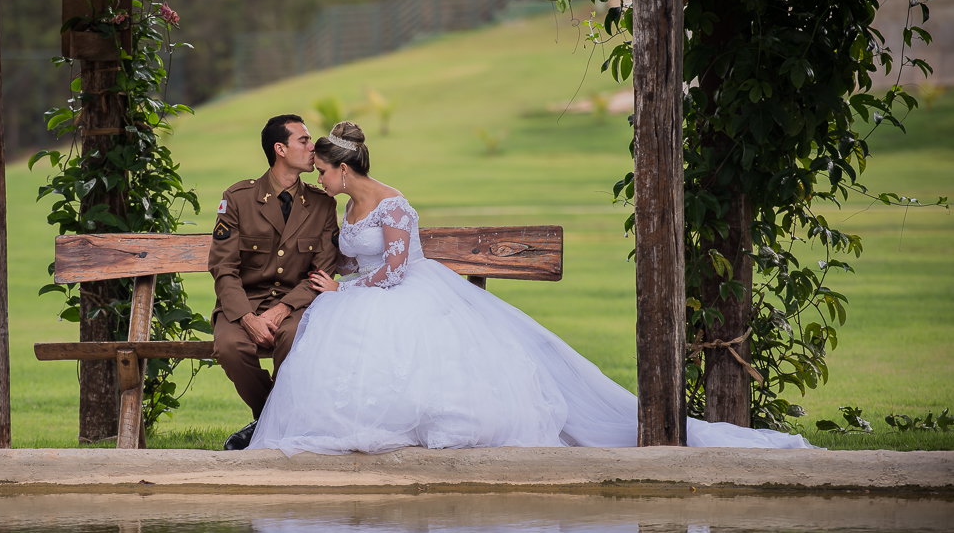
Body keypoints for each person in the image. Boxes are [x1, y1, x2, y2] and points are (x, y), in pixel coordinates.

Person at [248, 121, 814, 455]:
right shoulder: (347, 204)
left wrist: (344, 289)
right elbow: (355, 260)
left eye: (322, 171)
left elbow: (394, 271)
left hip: (405, 291)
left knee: (402, 347)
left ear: (343, 169)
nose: (319, 179)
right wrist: (338, 282)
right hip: (367, 291)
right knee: (340, 336)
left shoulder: (392, 203)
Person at [208, 114, 339, 451]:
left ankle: (262, 428)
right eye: (304, 141)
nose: (314, 147)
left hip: (295, 304)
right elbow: (224, 267)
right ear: (280, 149)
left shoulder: (323, 204)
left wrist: (283, 308)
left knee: (294, 336)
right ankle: (273, 418)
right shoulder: (238, 198)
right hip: (244, 302)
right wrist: (247, 317)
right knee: (229, 347)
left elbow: (322, 270)